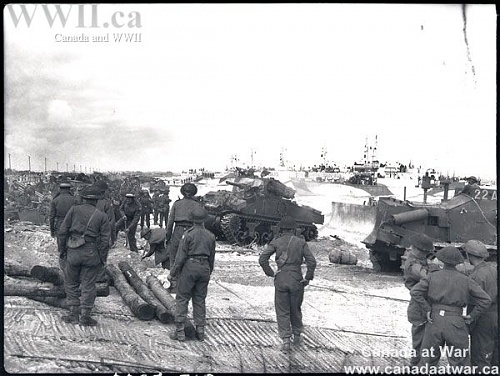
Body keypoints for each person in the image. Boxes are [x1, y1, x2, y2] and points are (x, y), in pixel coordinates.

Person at [410, 246, 491, 367]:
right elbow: (486, 300)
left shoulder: (432, 276)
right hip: (456, 322)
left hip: (434, 321)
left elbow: (415, 292)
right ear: (458, 263)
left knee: (427, 362)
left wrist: (427, 309)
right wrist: (472, 316)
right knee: (460, 363)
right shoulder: (466, 280)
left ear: (442, 260)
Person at [258, 216, 317, 353]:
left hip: (281, 278)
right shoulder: (301, 242)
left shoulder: (276, 242)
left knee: (282, 310)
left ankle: (285, 341)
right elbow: (312, 262)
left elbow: (262, 259)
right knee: (295, 308)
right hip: (297, 278)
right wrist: (308, 277)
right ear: (294, 229)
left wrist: (271, 273)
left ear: (281, 229)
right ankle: (297, 336)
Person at [57, 185, 111, 326]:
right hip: (91, 253)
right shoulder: (102, 216)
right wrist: (102, 258)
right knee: (88, 285)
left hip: (73, 251)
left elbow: (63, 231)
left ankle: (73, 314)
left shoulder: (74, 210)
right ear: (97, 200)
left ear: (83, 198)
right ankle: (85, 316)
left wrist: (62, 250)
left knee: (71, 283)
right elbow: (106, 241)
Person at [167, 206, 216, 342]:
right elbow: (212, 257)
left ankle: (180, 331)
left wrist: (173, 273)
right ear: (204, 220)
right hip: (205, 267)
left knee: (182, 298)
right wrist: (208, 271)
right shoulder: (211, 236)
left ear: (192, 220)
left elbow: (180, 257)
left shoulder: (188, 234)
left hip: (190, 266)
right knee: (200, 299)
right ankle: (200, 331)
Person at [402, 233, 440, 366]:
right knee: (419, 339)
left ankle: (420, 363)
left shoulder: (418, 260)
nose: (426, 254)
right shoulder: (414, 265)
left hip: (422, 302)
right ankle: (415, 364)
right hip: (419, 305)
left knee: (425, 338)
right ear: (417, 249)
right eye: (424, 252)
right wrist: (435, 268)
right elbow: (427, 277)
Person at [463, 240, 498, 371]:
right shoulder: (494, 270)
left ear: (469, 255)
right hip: (495, 316)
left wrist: (471, 317)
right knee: (495, 357)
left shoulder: (476, 275)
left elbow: (474, 301)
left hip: (482, 319)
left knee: (480, 358)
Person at [165, 183, 203, 292]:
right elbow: (201, 223)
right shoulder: (197, 205)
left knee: (175, 256)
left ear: (182, 192)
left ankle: (174, 284)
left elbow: (170, 222)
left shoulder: (177, 204)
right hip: (193, 231)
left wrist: (168, 237)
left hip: (178, 231)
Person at [49, 182, 77, 269]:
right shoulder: (74, 200)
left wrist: (52, 230)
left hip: (60, 224)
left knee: (61, 247)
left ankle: (63, 268)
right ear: (69, 189)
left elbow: (51, 217)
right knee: (72, 246)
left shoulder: (55, 200)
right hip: (72, 224)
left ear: (60, 189)